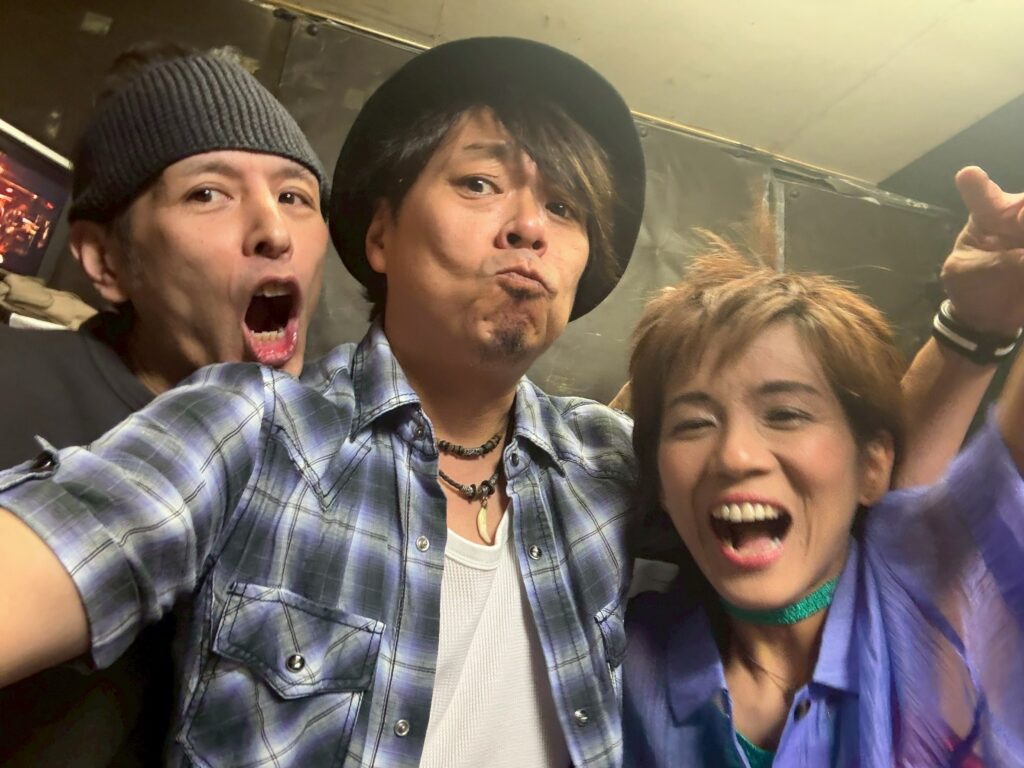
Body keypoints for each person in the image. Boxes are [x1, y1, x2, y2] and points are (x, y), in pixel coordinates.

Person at [0, 37, 1009, 768]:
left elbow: (838, 492)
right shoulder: (249, 427)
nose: (529, 226)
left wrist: (970, 330)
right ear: (382, 236)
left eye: (564, 206)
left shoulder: (605, 464)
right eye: (481, 184)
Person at [621, 174, 1024, 766]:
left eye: (785, 414)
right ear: (658, 481)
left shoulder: (934, 589)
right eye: (693, 423)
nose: (735, 456)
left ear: (874, 466)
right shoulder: (621, 663)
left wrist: (982, 318)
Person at [0, 43, 330, 766]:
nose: (275, 231)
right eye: (207, 193)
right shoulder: (12, 385)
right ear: (105, 261)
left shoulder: (331, 461)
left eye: (295, 197)